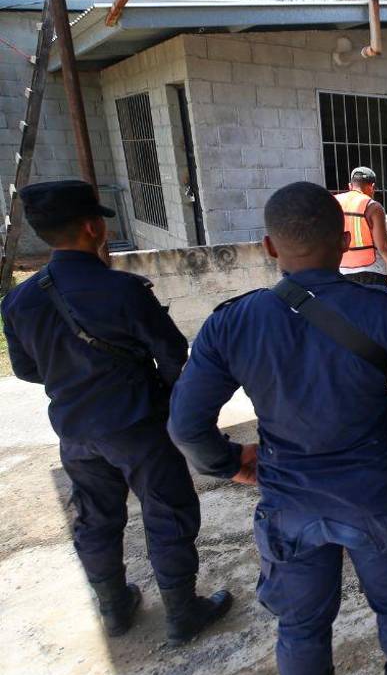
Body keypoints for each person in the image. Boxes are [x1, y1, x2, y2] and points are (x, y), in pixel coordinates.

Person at [168, 181, 387, 675]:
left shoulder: (235, 322)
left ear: (272, 245)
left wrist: (234, 464)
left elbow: (187, 426)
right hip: (374, 495)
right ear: (346, 238)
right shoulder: (385, 312)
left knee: (300, 622)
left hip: (288, 499)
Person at [0, 179, 232, 644]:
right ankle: (182, 612)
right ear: (92, 228)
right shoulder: (123, 291)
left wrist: (74, 380)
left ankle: (114, 607)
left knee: (95, 516)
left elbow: (26, 371)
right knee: (167, 512)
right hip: (138, 426)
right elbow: (171, 355)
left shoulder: (18, 301)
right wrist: (171, 405)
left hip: (75, 432)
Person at [336, 166, 387, 291]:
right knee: (376, 310)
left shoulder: (333, 202)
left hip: (342, 272)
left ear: (350, 185)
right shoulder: (373, 207)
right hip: (372, 273)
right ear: (373, 186)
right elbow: (383, 247)